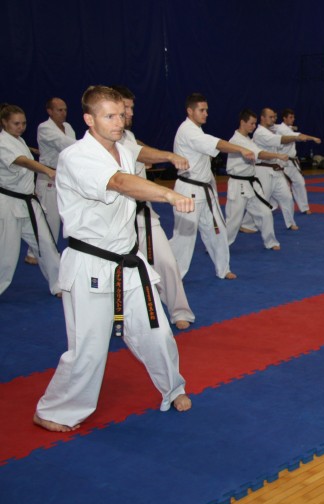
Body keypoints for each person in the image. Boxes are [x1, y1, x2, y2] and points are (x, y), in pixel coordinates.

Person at [34, 85, 194, 432]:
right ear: (89, 119)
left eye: (121, 114)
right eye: (109, 116)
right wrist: (168, 194)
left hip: (129, 261)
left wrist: (169, 156)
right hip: (90, 263)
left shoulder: (123, 148)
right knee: (88, 348)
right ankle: (55, 410)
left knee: (157, 333)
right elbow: (120, 182)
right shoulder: (76, 156)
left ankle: (173, 387)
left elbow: (141, 153)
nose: (119, 121)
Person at [113, 85, 196, 330]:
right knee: (117, 273)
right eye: (126, 108)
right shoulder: (107, 142)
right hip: (116, 217)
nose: (130, 113)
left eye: (131, 108)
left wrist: (157, 156)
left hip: (143, 212)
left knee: (167, 262)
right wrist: (168, 156)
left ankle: (179, 310)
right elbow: (138, 153)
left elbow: (137, 148)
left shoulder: (127, 136)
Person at [170, 93, 255, 280]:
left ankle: (223, 269)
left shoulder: (197, 130)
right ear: (190, 111)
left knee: (218, 231)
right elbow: (216, 143)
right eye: (202, 110)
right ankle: (172, 275)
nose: (206, 114)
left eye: (206, 110)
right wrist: (240, 148)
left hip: (204, 190)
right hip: (189, 191)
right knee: (184, 237)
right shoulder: (188, 131)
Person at [0, 104, 61, 297]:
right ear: (4, 122)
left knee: (46, 244)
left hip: (29, 204)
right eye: (16, 123)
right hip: (9, 205)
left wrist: (37, 151)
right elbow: (23, 161)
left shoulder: (17, 140)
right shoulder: (2, 142)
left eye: (24, 123)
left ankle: (59, 285)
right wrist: (47, 170)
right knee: (7, 254)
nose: (21, 127)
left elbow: (26, 154)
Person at [225, 109, 289, 252]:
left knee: (265, 212)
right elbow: (259, 154)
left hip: (251, 183)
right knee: (233, 221)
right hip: (238, 184)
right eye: (252, 123)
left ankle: (270, 241)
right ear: (242, 122)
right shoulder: (237, 140)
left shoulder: (247, 139)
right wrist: (277, 156)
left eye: (255, 123)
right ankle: (218, 246)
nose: (254, 126)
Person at [26, 97, 77, 265]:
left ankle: (41, 253)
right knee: (50, 221)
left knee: (67, 218)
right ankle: (34, 253)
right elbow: (65, 144)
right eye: (59, 110)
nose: (63, 113)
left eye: (65, 110)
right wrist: (91, 145)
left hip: (65, 177)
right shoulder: (45, 128)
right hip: (48, 178)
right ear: (50, 111)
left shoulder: (68, 127)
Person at [250, 107, 312, 231]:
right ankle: (247, 224)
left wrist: (295, 132)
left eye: (274, 117)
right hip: (263, 170)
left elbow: (283, 129)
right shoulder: (260, 133)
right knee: (262, 199)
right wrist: (296, 137)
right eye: (270, 117)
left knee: (287, 197)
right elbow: (280, 139)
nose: (273, 119)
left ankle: (290, 222)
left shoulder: (271, 130)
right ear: (262, 118)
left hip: (275, 169)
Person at [271, 108, 321, 214]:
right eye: (290, 117)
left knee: (300, 183)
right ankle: (269, 206)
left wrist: (293, 127)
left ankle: (304, 207)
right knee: (279, 188)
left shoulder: (285, 127)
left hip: (291, 162)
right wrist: (313, 138)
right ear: (284, 118)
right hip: (282, 163)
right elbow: (300, 136)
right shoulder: (283, 130)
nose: (293, 119)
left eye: (293, 117)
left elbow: (277, 127)